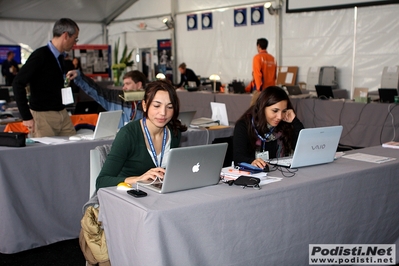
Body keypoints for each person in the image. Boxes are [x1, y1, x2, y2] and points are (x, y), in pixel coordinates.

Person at [95, 80, 187, 190]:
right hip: (129, 195)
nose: (163, 112)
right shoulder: (128, 134)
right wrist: (138, 179)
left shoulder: (174, 132)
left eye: (169, 107)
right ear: (144, 105)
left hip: (159, 195)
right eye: (157, 106)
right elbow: (101, 181)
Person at [12, 18, 79, 137]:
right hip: (42, 116)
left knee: (74, 148)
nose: (75, 43)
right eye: (75, 38)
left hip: (62, 113)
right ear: (65, 36)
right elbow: (18, 83)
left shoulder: (61, 58)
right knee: (46, 154)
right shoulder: (40, 55)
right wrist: (26, 116)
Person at [233, 86, 304, 169]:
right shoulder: (244, 125)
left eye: (284, 111)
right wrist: (251, 162)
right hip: (255, 176)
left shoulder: (285, 124)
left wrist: (294, 121)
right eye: (275, 111)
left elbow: (303, 148)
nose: (280, 117)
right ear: (262, 108)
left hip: (282, 173)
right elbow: (238, 158)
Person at [67, 69, 147, 127]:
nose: (124, 88)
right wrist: (79, 77)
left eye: (127, 84)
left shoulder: (150, 102)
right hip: (120, 142)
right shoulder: (116, 98)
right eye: (124, 84)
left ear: (139, 85)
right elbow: (96, 90)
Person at [251, 38, 277, 105]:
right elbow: (275, 75)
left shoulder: (257, 58)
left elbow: (257, 74)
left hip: (262, 90)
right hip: (271, 90)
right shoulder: (272, 58)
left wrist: (259, 90)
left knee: (254, 109)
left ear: (258, 46)